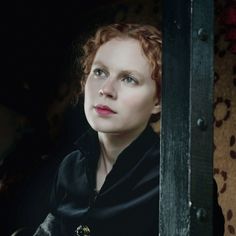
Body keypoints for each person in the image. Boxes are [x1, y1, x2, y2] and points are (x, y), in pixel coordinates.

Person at [33, 23, 224, 236]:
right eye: (99, 72)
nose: (106, 90)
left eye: (129, 79)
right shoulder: (70, 167)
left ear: (158, 100)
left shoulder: (181, 180)